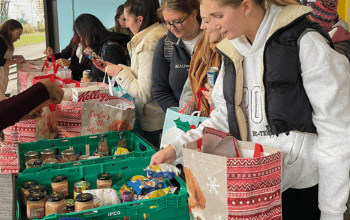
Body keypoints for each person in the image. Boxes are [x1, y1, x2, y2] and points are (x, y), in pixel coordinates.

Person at [150, 0, 350, 219]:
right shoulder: (232, 52)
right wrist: (176, 148)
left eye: (217, 16)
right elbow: (222, 120)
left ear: (245, 6)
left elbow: (337, 135)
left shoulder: (306, 43)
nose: (209, 27)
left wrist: (332, 211)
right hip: (252, 188)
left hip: (299, 190)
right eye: (206, 19)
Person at [93, 0, 167, 149]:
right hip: (156, 118)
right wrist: (116, 68)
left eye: (126, 19)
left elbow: (144, 93)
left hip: (154, 122)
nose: (125, 25)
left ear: (139, 19)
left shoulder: (148, 44)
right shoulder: (150, 37)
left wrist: (119, 72)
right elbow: (143, 75)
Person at [151, 0, 202, 112]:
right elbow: (159, 90)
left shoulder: (213, 39)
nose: (172, 27)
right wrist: (180, 117)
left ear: (194, 13)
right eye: (167, 22)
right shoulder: (165, 45)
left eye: (178, 21)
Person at [185, 4, 224, 116]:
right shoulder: (203, 43)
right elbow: (190, 86)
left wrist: (217, 100)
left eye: (206, 21)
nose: (201, 26)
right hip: (201, 121)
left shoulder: (234, 52)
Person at [73, 13, 130, 83]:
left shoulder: (110, 48)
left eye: (81, 35)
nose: (81, 39)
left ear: (88, 33)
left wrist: (92, 81)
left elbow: (117, 80)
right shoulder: (101, 46)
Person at [0, 19, 25, 100]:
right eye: (17, 34)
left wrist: (14, 57)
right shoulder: (1, 41)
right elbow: (1, 61)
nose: (18, 38)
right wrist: (16, 61)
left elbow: (3, 55)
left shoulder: (5, 41)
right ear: (9, 30)